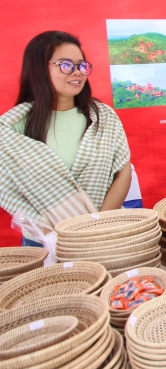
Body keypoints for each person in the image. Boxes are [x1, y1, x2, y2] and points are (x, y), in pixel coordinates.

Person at [0, 31, 132, 246]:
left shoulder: (103, 117)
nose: (77, 73)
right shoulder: (10, 129)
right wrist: (55, 238)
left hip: (104, 234)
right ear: (39, 69)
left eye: (81, 65)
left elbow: (122, 173)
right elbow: (9, 194)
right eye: (66, 65)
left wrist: (97, 226)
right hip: (44, 242)